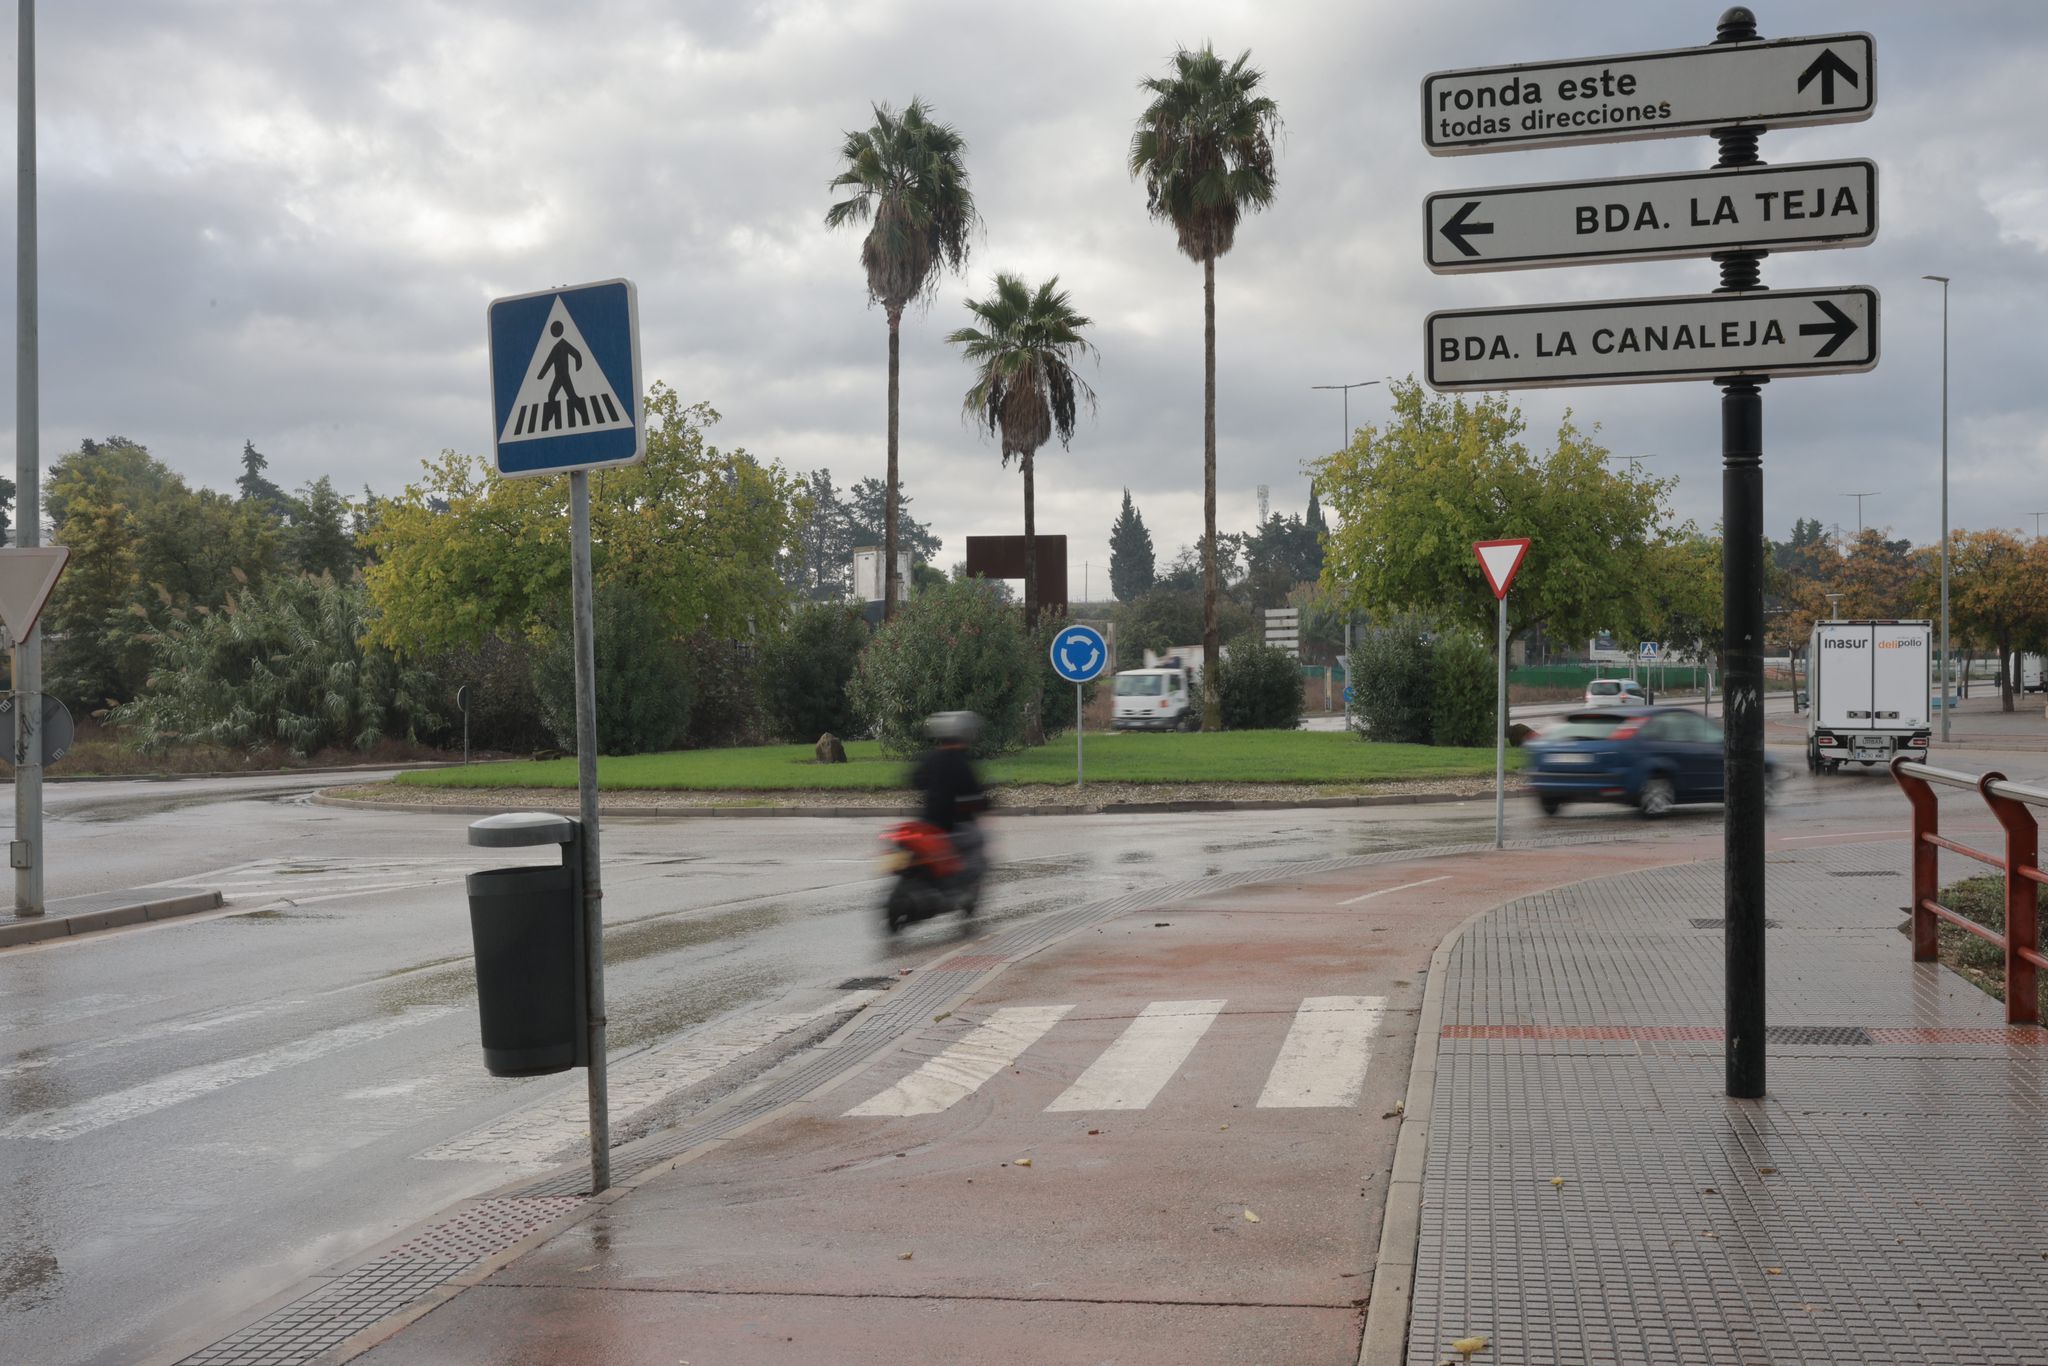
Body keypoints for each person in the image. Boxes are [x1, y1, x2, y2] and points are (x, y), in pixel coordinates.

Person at [912, 711, 989, 873]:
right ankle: (965, 880)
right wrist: (986, 802)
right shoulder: (960, 762)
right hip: (952, 826)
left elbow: (916, 780)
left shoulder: (930, 757)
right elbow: (973, 791)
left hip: (927, 823)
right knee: (978, 839)